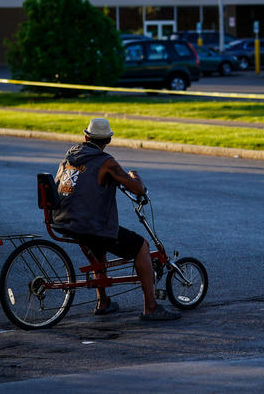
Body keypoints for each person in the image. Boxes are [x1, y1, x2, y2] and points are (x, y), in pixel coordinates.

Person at [52, 118, 181, 321]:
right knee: (141, 247)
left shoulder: (70, 156)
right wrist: (134, 175)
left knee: (98, 253)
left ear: (86, 137)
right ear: (108, 140)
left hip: (65, 221)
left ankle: (103, 302)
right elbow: (136, 188)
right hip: (89, 225)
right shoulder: (106, 162)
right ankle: (151, 307)